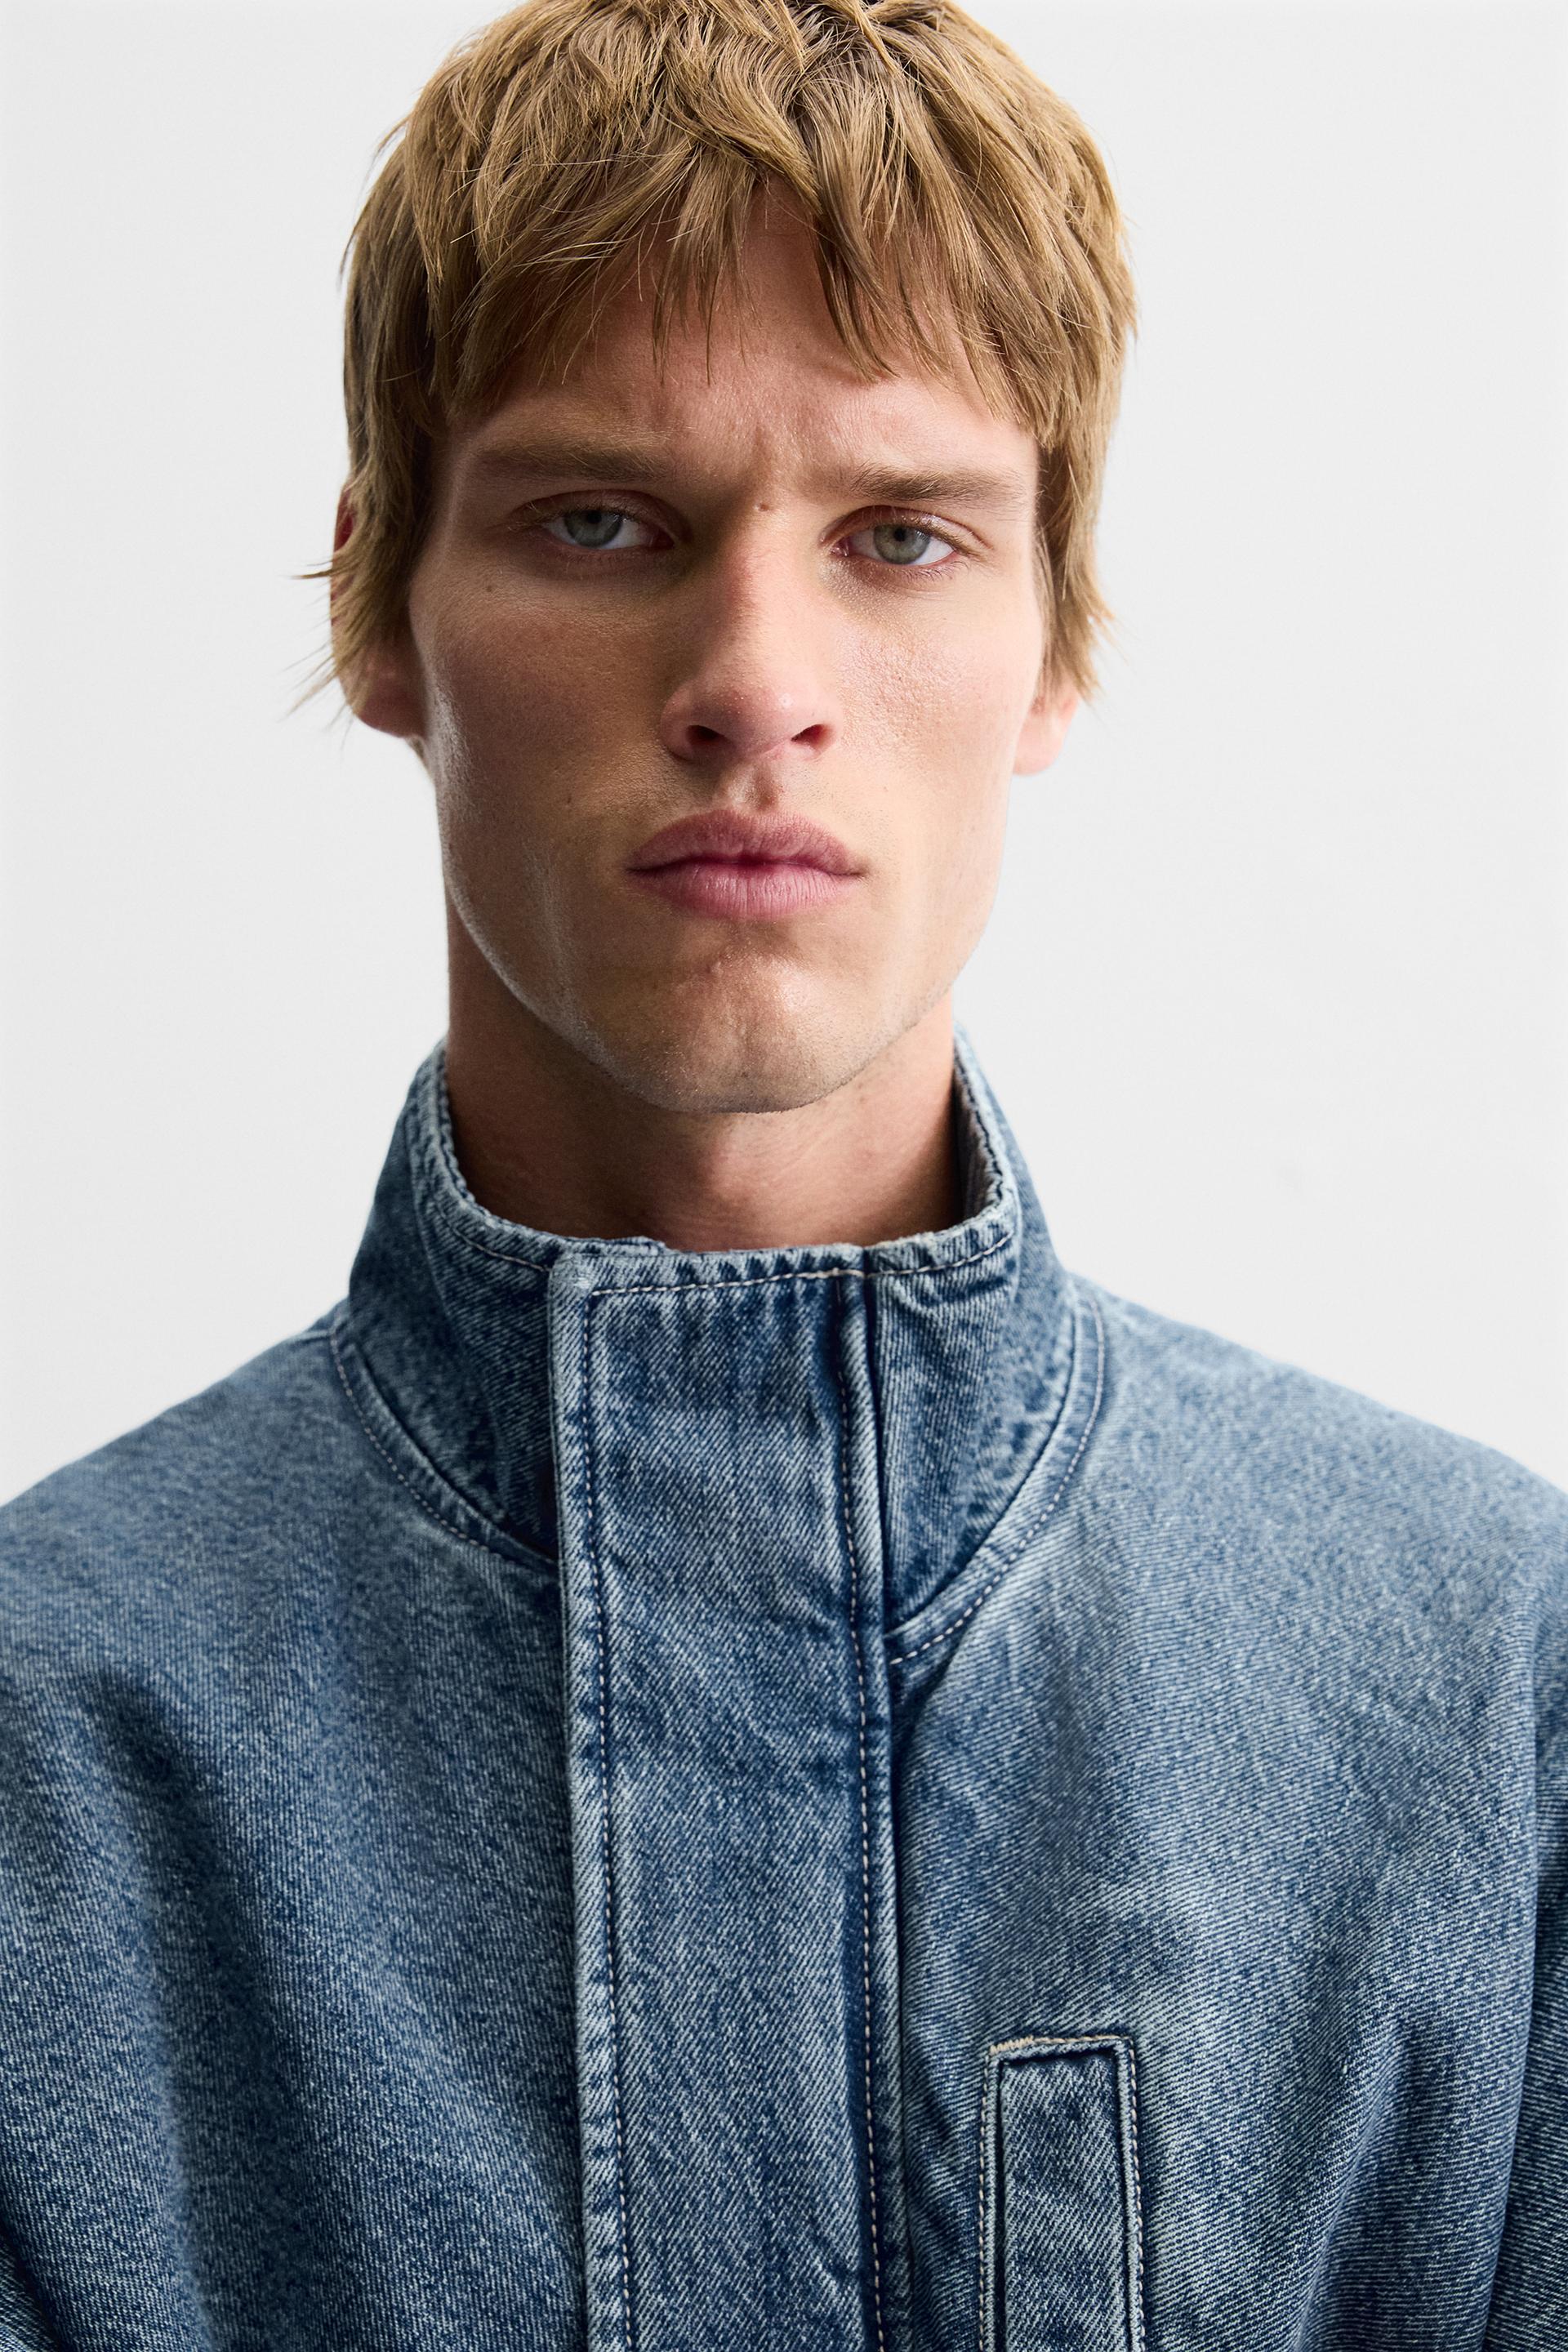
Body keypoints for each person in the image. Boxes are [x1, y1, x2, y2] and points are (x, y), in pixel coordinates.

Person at [0, 0, 1561, 2344]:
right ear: (375, 607)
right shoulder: (43, 1749)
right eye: (601, 522)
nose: (755, 677)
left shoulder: (1492, 1695)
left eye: (901, 536)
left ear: (1055, 640)